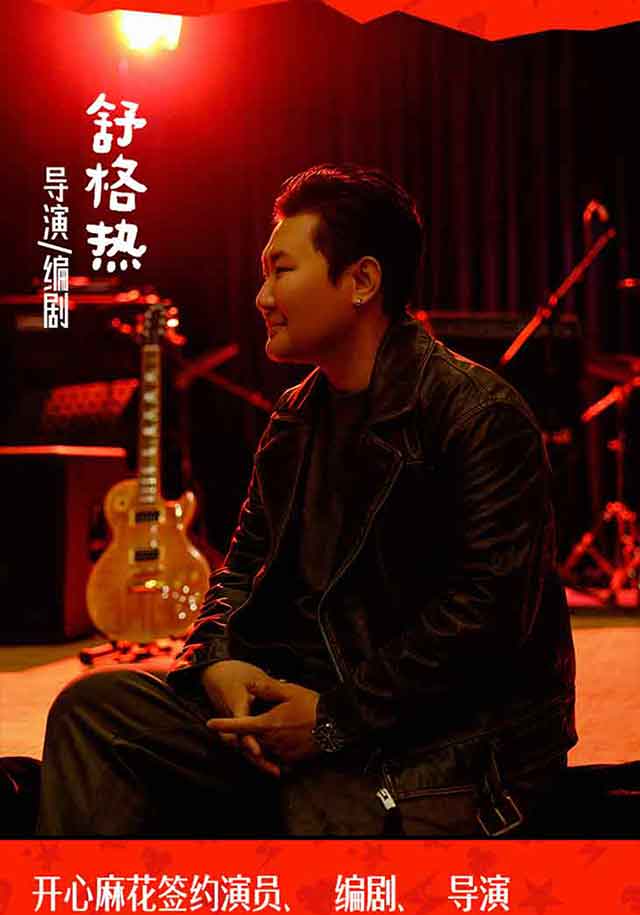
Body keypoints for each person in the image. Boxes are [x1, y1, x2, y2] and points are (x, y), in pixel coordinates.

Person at [36, 163, 577, 838]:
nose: (261, 296)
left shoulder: (478, 415)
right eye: (262, 274)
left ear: (361, 281)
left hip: (438, 738)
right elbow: (241, 568)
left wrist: (331, 720)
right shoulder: (295, 416)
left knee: (319, 815)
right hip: (301, 708)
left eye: (282, 271)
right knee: (96, 710)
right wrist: (218, 660)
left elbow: (487, 621)